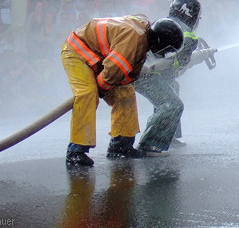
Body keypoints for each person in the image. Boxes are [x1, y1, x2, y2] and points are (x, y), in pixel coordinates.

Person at [62, 15, 184, 167]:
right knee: (87, 94)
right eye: (166, 50)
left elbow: (118, 70)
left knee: (125, 93)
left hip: (100, 58)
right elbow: (111, 73)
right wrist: (100, 90)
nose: (164, 54)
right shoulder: (133, 42)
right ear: (159, 42)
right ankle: (75, 151)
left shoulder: (142, 34)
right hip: (77, 53)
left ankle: (121, 146)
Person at [134, 0, 217, 155]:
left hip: (143, 70)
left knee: (172, 87)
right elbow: (178, 64)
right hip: (144, 73)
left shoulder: (166, 23)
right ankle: (150, 144)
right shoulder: (188, 36)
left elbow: (173, 62)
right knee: (172, 104)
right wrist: (201, 55)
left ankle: (169, 134)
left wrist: (201, 54)